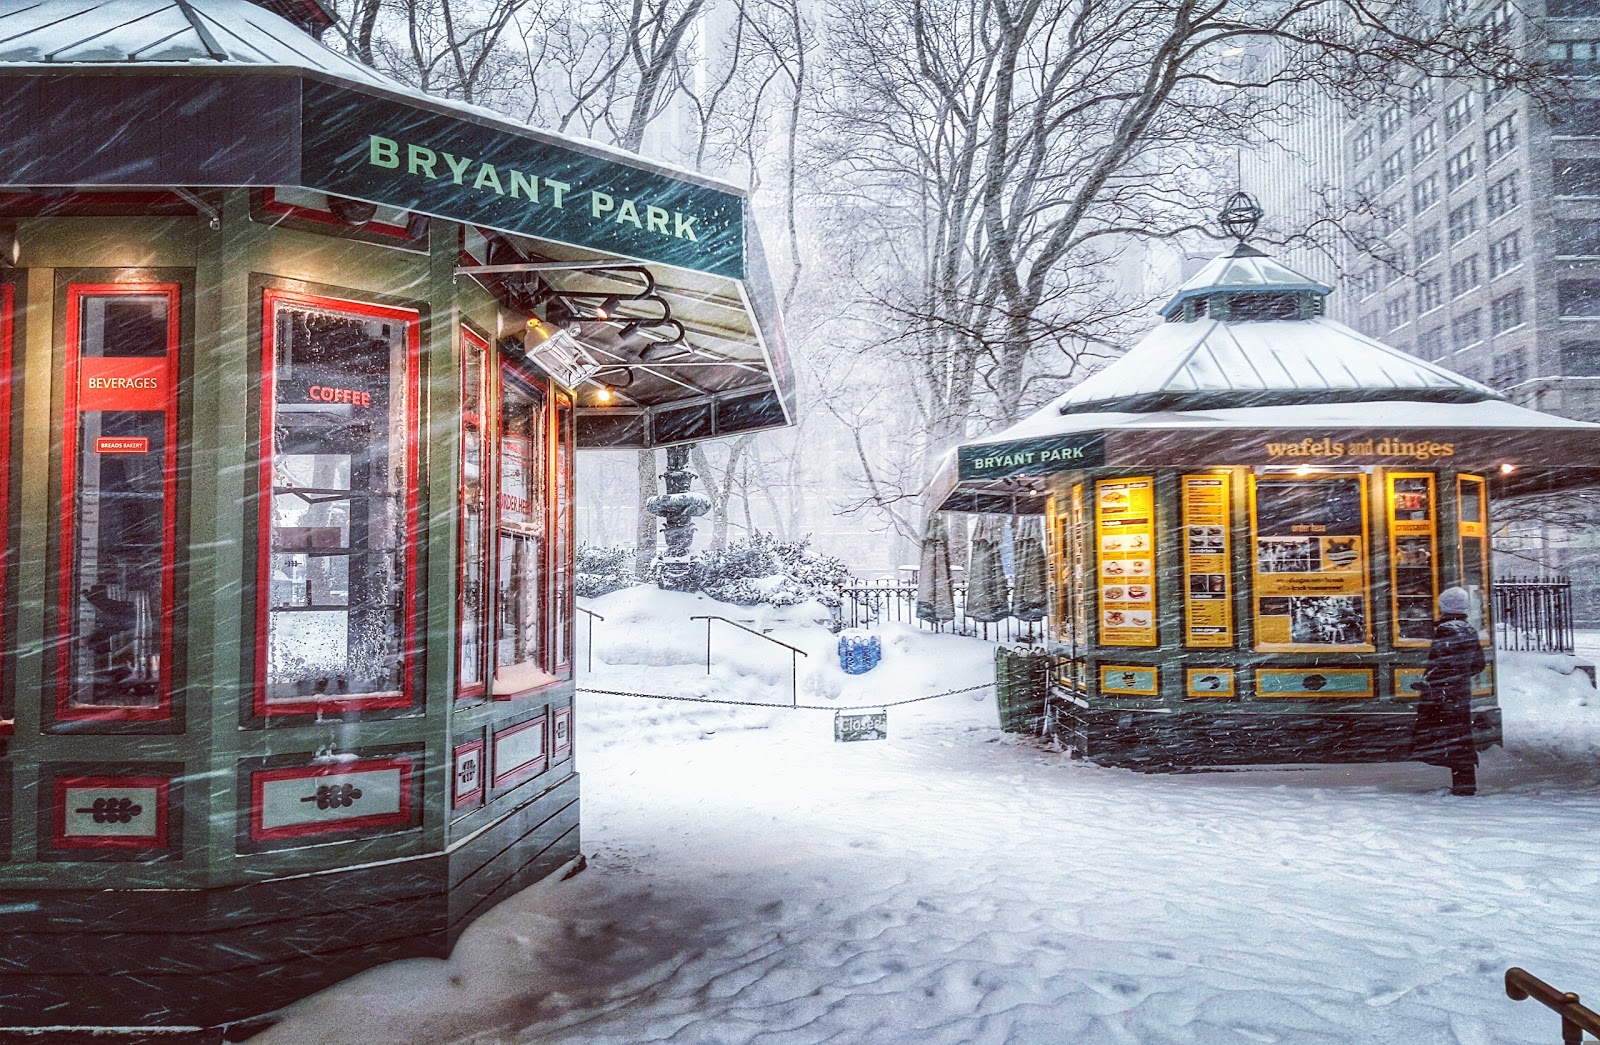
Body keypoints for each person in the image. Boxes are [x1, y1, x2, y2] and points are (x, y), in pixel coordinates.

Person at [1411, 586, 1486, 796]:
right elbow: (1478, 663)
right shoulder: (1468, 629)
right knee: (1460, 736)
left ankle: (1462, 784)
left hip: (1443, 695)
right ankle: (1465, 781)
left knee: (1441, 736)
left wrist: (1430, 681)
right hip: (1459, 694)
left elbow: (1440, 663)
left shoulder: (1446, 630)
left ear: (1444, 607)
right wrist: (1460, 676)